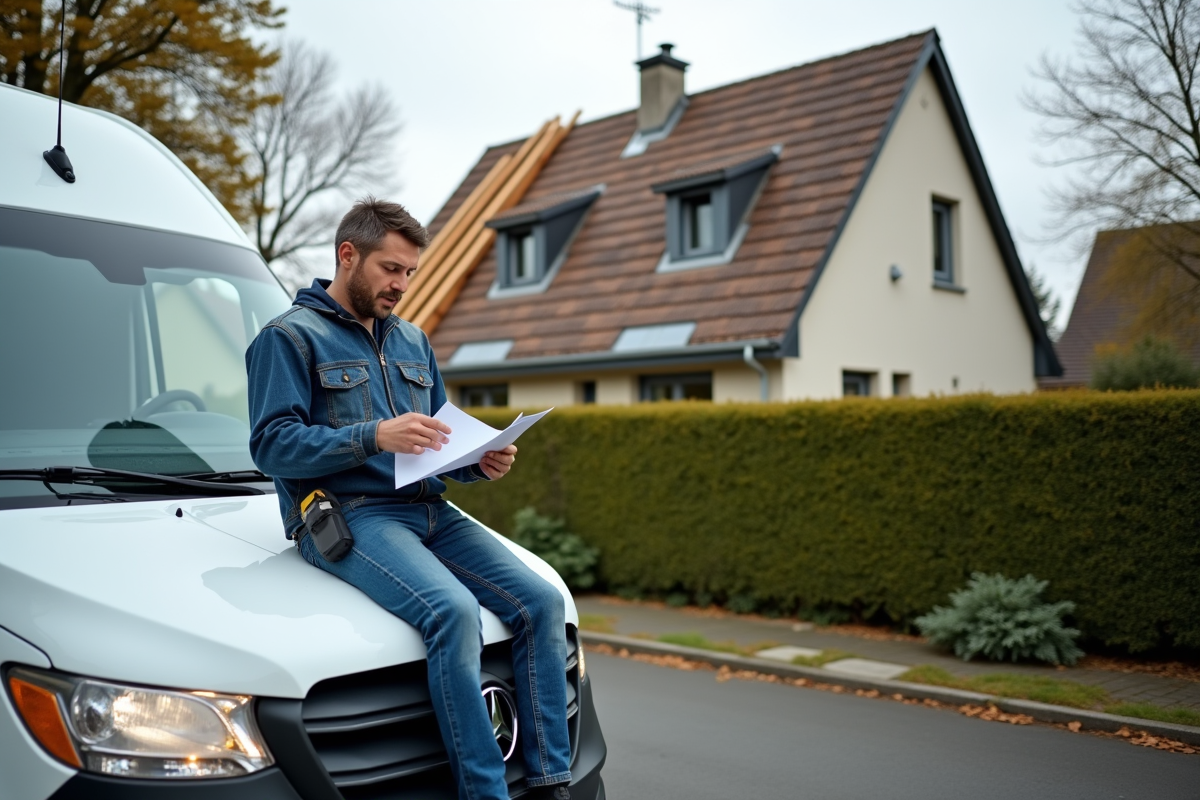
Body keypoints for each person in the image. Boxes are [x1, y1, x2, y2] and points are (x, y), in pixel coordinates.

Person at [246, 198, 573, 800]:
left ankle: (553, 782)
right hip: (350, 516)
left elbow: (437, 440)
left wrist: (479, 460)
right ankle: (485, 793)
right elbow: (270, 446)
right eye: (391, 269)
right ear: (348, 255)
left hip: (431, 512)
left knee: (544, 603)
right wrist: (372, 435)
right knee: (452, 611)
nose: (401, 284)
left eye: (410, 273)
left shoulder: (413, 341)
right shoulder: (288, 338)